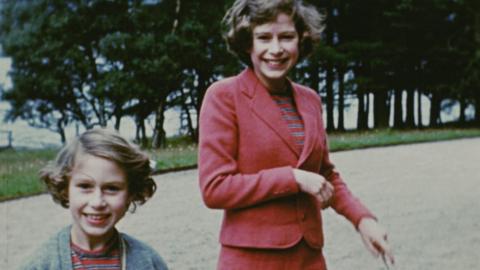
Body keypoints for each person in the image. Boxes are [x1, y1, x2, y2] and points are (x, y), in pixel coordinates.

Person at [198, 0, 395, 269]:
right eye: (264, 37)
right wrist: (292, 178)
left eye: (287, 37)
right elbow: (215, 188)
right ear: (248, 43)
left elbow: (325, 175)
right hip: (251, 260)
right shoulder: (223, 96)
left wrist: (362, 220)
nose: (276, 49)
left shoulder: (310, 100)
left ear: (301, 41)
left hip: (309, 258)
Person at [20, 128, 168, 270]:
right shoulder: (41, 264)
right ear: (65, 190)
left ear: (131, 193)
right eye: (85, 186)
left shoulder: (148, 262)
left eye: (112, 188)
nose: (97, 202)